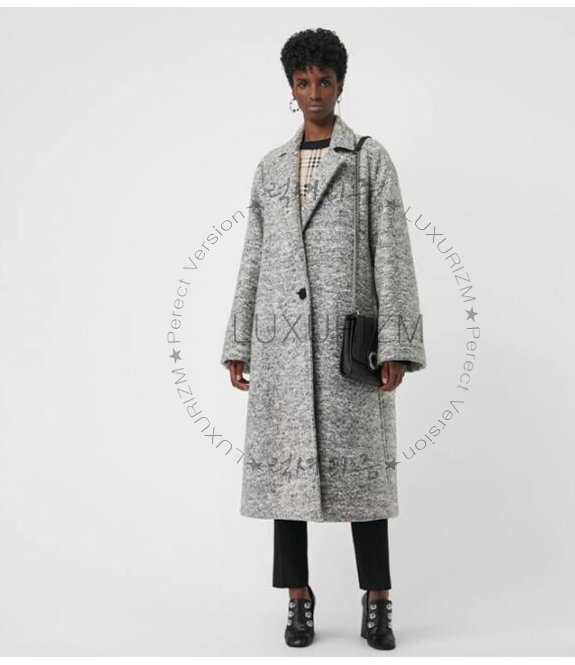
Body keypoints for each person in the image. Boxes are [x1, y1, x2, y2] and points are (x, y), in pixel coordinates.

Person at [221, 28, 426, 650]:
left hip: (349, 348)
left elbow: (392, 250)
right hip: (283, 348)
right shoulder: (270, 168)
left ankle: (378, 599)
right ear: (291, 88)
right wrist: (239, 341)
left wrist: (397, 343)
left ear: (341, 84)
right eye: (303, 82)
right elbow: (253, 256)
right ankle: (298, 598)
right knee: (287, 479)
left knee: (364, 480)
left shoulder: (367, 159)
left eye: (325, 81)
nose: (314, 92)